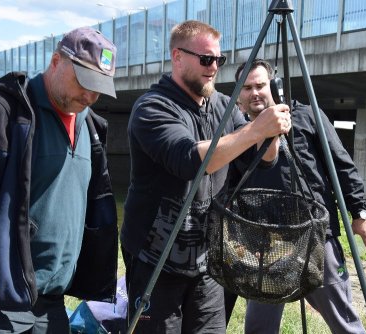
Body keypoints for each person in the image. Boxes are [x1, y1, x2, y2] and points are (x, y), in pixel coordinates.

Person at [120, 20, 291, 333]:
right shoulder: (153, 107)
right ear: (177, 57)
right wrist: (256, 129)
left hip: (206, 260)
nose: (214, 68)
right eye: (206, 59)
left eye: (218, 60)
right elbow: (189, 160)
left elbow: (262, 161)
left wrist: (271, 134)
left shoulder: (224, 106)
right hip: (154, 261)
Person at [224, 59, 366, 334]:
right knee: (258, 328)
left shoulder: (307, 117)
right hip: (266, 246)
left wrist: (360, 214)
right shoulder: (238, 136)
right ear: (239, 97)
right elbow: (231, 190)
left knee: (344, 324)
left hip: (316, 236)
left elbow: (342, 166)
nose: (254, 93)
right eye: (246, 88)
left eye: (260, 85)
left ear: (273, 85)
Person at [0, 26, 119, 333]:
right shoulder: (3, 112)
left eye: (98, 88)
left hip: (53, 303)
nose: (89, 95)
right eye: (83, 81)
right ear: (56, 61)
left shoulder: (92, 128)